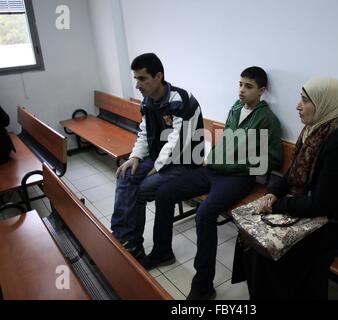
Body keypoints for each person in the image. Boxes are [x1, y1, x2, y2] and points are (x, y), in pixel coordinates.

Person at [141, 66, 283, 300]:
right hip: (213, 170)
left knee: (205, 214)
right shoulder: (236, 109)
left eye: (248, 86)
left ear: (262, 90)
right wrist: (217, 156)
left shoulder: (267, 119)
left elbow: (274, 158)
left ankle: (203, 285)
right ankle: (162, 251)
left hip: (238, 179)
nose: (241, 90)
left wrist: (241, 164)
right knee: (164, 192)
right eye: (240, 84)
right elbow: (228, 140)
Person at [231, 76, 338, 300]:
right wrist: (273, 194)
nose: (298, 105)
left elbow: (322, 204)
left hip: (336, 223)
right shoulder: (314, 132)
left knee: (272, 250)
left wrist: (278, 206)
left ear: (325, 104)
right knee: (251, 233)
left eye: (305, 100)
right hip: (312, 208)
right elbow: (291, 175)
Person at [110, 53, 205, 260]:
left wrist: (157, 168)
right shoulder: (147, 101)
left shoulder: (180, 100)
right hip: (160, 158)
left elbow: (177, 141)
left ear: (158, 76)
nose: (138, 85)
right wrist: (135, 157)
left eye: (142, 79)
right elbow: (144, 132)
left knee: (142, 188)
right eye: (136, 79)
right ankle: (124, 239)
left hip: (185, 162)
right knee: (126, 175)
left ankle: (139, 244)